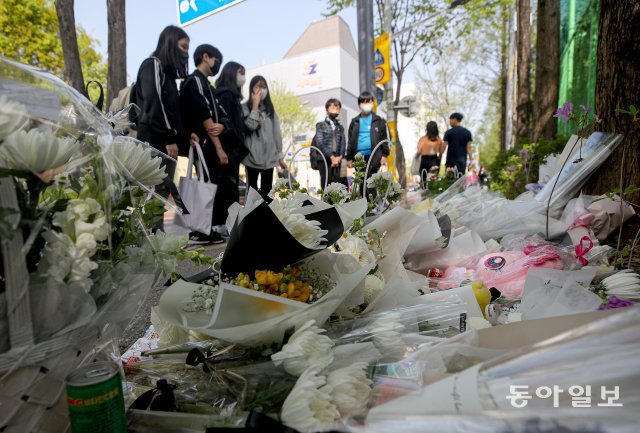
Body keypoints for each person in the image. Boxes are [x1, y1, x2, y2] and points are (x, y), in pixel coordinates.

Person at [133, 25, 195, 230]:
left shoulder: (167, 75)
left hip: (163, 140)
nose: (186, 52)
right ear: (170, 44)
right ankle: (153, 237)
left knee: (160, 193)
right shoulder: (153, 65)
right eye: (183, 47)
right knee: (156, 190)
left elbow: (171, 111)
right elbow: (154, 103)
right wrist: (169, 138)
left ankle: (156, 237)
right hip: (155, 139)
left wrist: (184, 136)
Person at [179, 44, 231, 245]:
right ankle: (201, 229)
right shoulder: (194, 82)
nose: (217, 64)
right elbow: (204, 115)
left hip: (208, 144)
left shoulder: (208, 86)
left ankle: (207, 227)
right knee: (204, 182)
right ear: (206, 57)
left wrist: (222, 127)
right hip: (203, 144)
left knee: (209, 184)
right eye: (216, 59)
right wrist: (219, 147)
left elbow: (221, 117)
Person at [242, 75, 286, 193]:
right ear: (252, 89)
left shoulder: (270, 111)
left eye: (264, 87)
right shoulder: (245, 108)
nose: (261, 90)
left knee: (267, 192)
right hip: (252, 158)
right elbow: (250, 125)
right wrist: (255, 106)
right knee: (252, 192)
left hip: (270, 158)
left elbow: (277, 134)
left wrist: (280, 156)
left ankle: (266, 212)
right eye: (257, 86)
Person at [215, 61, 249, 172]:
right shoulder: (225, 95)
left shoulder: (234, 97)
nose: (243, 77)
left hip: (233, 152)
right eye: (241, 73)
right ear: (231, 73)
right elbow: (224, 122)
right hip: (228, 151)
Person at [346, 91, 389, 177]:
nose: (366, 104)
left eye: (368, 101)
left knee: (372, 183)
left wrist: (384, 155)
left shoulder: (379, 121)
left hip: (375, 157)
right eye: (363, 102)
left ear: (372, 103)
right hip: (358, 158)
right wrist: (349, 158)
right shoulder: (354, 122)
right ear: (359, 104)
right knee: (361, 184)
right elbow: (350, 141)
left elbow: (384, 139)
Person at [311, 98, 347, 190]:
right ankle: (327, 205)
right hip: (324, 159)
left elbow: (343, 143)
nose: (335, 108)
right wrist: (331, 157)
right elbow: (320, 143)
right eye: (332, 106)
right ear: (326, 109)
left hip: (338, 160)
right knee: (326, 187)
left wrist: (340, 157)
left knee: (340, 187)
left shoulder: (340, 127)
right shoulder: (320, 125)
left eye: (337, 106)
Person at [417, 121, 442, 187]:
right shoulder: (439, 139)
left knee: (423, 180)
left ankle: (423, 196)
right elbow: (441, 152)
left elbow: (419, 151)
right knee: (432, 181)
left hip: (424, 160)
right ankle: (432, 195)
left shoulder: (423, 139)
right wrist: (438, 162)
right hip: (435, 160)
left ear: (427, 129)